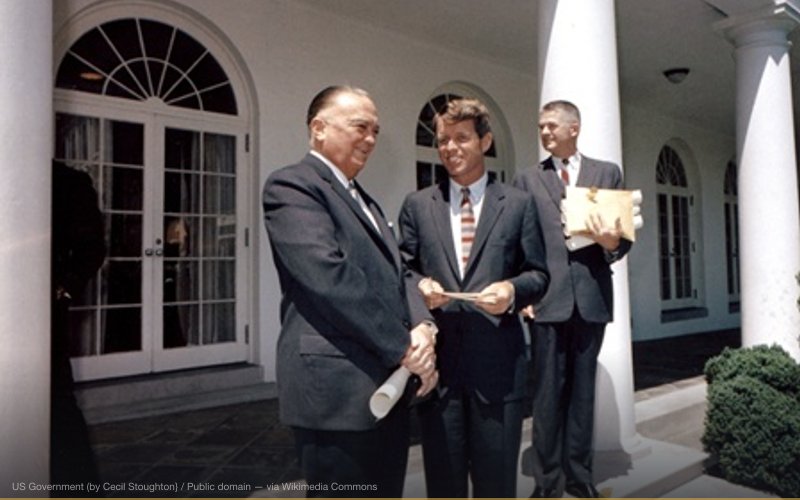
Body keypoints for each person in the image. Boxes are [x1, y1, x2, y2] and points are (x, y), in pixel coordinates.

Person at [261, 85, 438, 498]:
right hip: (336, 398)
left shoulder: (366, 203)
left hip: (384, 392)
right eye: (360, 126)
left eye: (376, 130)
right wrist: (403, 346)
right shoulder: (293, 186)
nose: (371, 139)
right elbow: (329, 277)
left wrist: (425, 328)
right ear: (319, 128)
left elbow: (403, 274)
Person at [398, 98, 549, 498]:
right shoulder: (417, 205)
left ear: (485, 141)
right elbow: (403, 268)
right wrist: (419, 286)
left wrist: (512, 291)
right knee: (443, 486)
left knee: (496, 485)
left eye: (461, 138)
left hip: (498, 370)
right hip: (439, 373)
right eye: (443, 140)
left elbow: (539, 274)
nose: (450, 148)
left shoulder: (517, 204)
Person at [513, 100, 633, 498]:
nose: (545, 133)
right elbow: (516, 240)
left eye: (551, 126)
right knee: (546, 395)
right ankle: (547, 483)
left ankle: (580, 478)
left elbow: (621, 241)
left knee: (583, 394)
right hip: (547, 301)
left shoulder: (607, 173)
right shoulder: (527, 179)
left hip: (592, 298)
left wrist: (609, 242)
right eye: (541, 127)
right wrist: (522, 292)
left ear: (574, 128)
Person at [51, 160, 105, 493]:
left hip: (40, 314)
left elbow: (92, 248)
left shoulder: (67, 180)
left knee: (56, 404)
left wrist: (63, 287)